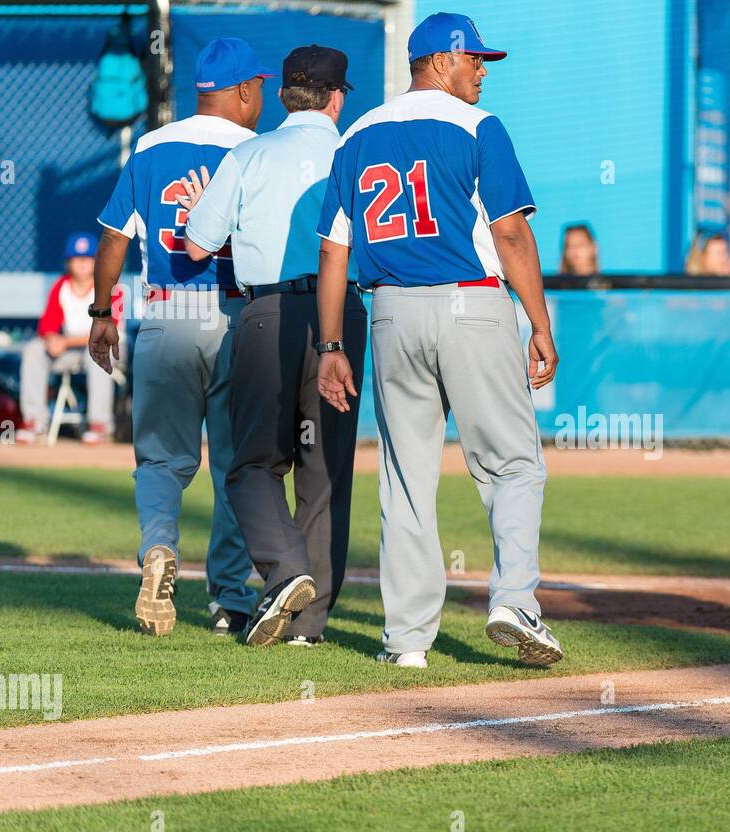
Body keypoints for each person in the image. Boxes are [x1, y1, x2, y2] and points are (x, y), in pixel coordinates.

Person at [314, 12, 563, 669]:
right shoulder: (479, 128)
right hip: (471, 304)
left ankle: (406, 643)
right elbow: (510, 234)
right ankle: (514, 601)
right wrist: (539, 323)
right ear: (441, 61)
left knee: (405, 478)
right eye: (475, 59)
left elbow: (333, 250)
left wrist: (330, 345)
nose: (482, 70)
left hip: (391, 312)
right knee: (512, 464)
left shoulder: (359, 133)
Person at [178, 45, 366, 647]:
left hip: (268, 312)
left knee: (255, 462)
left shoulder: (249, 152)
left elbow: (198, 247)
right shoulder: (354, 151)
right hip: (344, 315)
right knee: (325, 467)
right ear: (336, 98)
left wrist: (197, 212)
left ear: (284, 95)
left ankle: (286, 571)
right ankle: (307, 628)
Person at [89, 37, 270, 638]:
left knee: (163, 460)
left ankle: (160, 547)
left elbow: (114, 235)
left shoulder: (149, 146)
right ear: (244, 91)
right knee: (234, 465)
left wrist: (100, 310)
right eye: (260, 88)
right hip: (234, 317)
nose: (262, 98)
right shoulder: (254, 150)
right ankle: (227, 600)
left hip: (165, 316)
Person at [17, 233, 121, 445]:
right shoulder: (61, 286)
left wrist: (64, 342)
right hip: (73, 350)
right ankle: (35, 422)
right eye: (77, 258)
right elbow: (47, 325)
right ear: (68, 262)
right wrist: (52, 339)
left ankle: (100, 425)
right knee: (35, 350)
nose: (82, 263)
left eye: (87, 258)